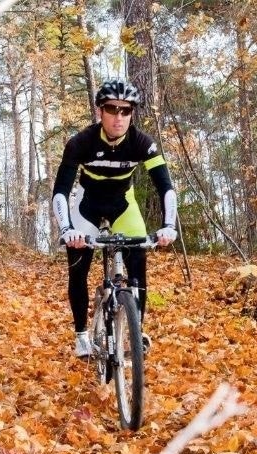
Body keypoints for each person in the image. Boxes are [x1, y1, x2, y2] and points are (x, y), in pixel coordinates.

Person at [52, 78, 178, 358]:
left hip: (123, 204)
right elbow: (60, 191)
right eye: (111, 109)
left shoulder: (142, 143)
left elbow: (166, 187)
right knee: (78, 266)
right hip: (87, 205)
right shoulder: (80, 142)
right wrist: (67, 229)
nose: (118, 117)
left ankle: (136, 329)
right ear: (100, 111)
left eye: (125, 110)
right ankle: (81, 334)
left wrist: (168, 226)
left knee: (138, 261)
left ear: (132, 113)